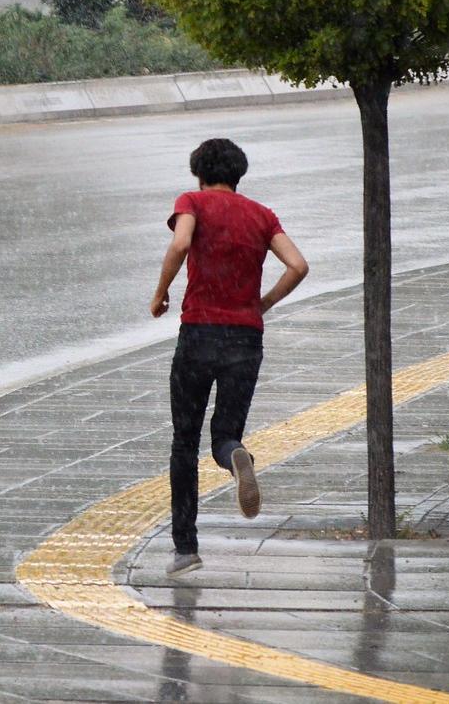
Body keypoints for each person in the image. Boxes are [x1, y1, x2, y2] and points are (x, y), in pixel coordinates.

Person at [150, 138, 309, 578]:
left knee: (184, 443)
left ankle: (185, 549)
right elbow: (298, 265)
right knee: (224, 434)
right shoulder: (261, 215)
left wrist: (161, 293)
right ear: (238, 175)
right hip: (245, 339)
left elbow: (181, 244)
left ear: (198, 172)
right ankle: (236, 454)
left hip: (199, 333)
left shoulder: (193, 202)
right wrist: (263, 303)